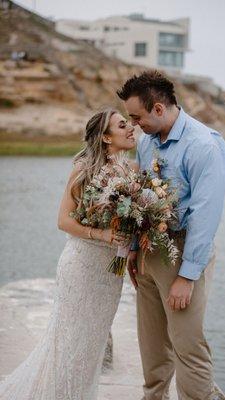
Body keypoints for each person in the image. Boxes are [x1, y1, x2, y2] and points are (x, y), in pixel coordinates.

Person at [0, 108, 136, 400]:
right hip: (82, 266)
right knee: (68, 344)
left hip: (110, 274)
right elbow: (63, 221)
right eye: (123, 125)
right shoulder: (84, 169)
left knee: (92, 347)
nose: (131, 128)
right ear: (105, 137)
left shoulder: (131, 172)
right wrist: (103, 235)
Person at [117, 71, 225, 400]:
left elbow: (205, 216)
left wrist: (187, 275)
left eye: (137, 117)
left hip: (182, 253)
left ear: (157, 109)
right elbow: (139, 194)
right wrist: (135, 249)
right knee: (151, 345)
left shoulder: (204, 146)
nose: (134, 125)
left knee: (188, 346)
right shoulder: (147, 141)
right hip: (149, 253)